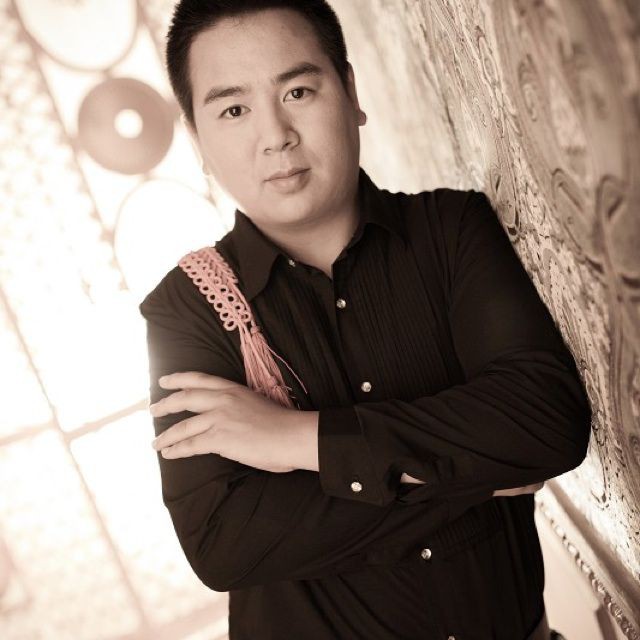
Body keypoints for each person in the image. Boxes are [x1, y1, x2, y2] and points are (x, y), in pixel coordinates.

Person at [138, 1, 592, 638]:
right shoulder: (186, 309)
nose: (275, 135)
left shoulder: (452, 231)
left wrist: (300, 440)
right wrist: (471, 475)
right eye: (234, 110)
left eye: (297, 92)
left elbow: (547, 422)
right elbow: (226, 543)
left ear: (350, 94)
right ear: (198, 142)